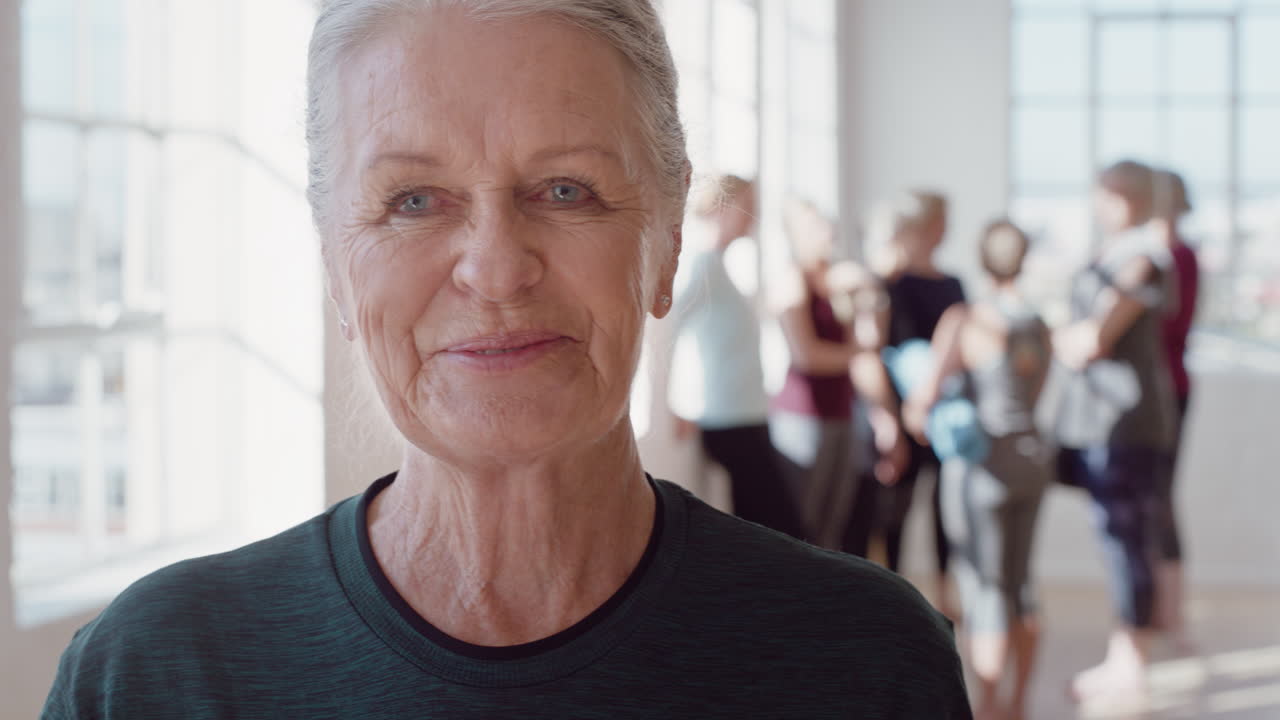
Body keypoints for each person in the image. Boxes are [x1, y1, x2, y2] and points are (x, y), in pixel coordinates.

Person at [42, 2, 971, 717]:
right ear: (333, 258)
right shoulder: (158, 673)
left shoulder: (862, 660)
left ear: (669, 236)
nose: (495, 269)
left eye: (566, 189)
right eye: (412, 200)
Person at [904, 220, 1053, 720]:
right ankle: (1017, 704)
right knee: (1020, 586)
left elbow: (921, 406)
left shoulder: (967, 319)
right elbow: (1033, 395)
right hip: (1032, 460)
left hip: (981, 469)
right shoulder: (1039, 324)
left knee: (985, 590)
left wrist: (924, 409)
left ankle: (985, 708)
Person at [1053, 159, 1178, 702]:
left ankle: (1130, 663)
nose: (1106, 203)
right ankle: (1124, 656)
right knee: (1117, 541)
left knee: (1126, 541)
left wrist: (1064, 337)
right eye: (1103, 192)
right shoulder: (1109, 255)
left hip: (1126, 426)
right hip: (1096, 424)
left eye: (1119, 194)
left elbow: (1093, 339)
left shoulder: (1144, 258)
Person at [666, 175, 803, 538]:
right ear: (724, 208)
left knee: (763, 525)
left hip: (749, 415)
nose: (754, 215)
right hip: (727, 421)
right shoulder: (700, 268)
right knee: (781, 526)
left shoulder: (721, 268)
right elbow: (668, 332)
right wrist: (675, 403)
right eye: (749, 204)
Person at [770, 200, 904, 550]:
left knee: (832, 530)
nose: (828, 233)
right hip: (801, 421)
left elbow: (873, 341)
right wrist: (859, 353)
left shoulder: (841, 280)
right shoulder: (792, 280)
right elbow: (808, 357)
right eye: (816, 228)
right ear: (795, 235)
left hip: (842, 416)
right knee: (799, 527)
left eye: (828, 225)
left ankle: (823, 604)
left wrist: (871, 292)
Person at [867, 191, 967, 613]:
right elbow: (873, 351)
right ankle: (895, 595)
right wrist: (888, 416)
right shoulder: (888, 284)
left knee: (947, 509)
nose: (943, 231)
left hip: (942, 413)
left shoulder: (953, 284)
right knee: (895, 511)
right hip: (900, 412)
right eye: (937, 223)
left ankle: (946, 593)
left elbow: (963, 349)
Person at [1151, 169, 1198, 644]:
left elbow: (1169, 326)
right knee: (1150, 500)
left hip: (1169, 392)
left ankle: (1171, 610)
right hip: (1152, 394)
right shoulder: (1153, 257)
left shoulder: (1178, 256)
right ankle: (1158, 609)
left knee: (1161, 497)